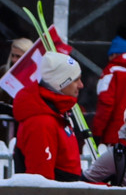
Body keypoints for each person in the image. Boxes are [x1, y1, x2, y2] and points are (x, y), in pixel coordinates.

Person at [11, 50, 84, 180]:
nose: (81, 85)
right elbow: (41, 184)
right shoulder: (42, 122)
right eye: (75, 80)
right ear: (61, 83)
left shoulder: (56, 114)